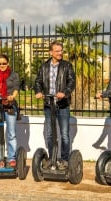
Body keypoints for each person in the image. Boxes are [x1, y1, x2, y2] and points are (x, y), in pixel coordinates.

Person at [34, 40, 76, 169]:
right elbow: (38, 82)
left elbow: (72, 82)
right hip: (48, 104)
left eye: (61, 50)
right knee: (50, 134)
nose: (60, 53)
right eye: (57, 51)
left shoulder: (67, 66)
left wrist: (65, 92)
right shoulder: (44, 66)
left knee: (64, 134)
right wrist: (38, 91)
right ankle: (52, 158)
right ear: (51, 52)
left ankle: (64, 159)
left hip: (62, 104)